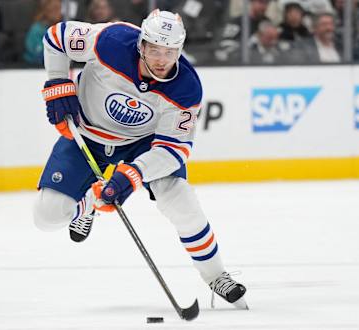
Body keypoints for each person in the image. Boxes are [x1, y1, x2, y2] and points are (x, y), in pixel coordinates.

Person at [33, 9, 248, 309]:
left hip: (142, 144)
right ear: (142, 44)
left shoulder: (186, 87)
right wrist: (57, 84)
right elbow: (56, 38)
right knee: (46, 217)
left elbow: (175, 149)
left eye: (170, 51)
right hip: (88, 133)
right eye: (155, 49)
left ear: (180, 50)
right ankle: (87, 207)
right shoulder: (111, 40)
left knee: (180, 201)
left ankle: (216, 276)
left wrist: (133, 174)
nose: (161, 59)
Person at [23, 0, 62, 65]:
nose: (59, 12)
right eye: (55, 8)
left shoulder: (61, 28)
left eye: (60, 8)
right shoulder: (36, 30)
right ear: (46, 11)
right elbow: (38, 54)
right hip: (33, 68)